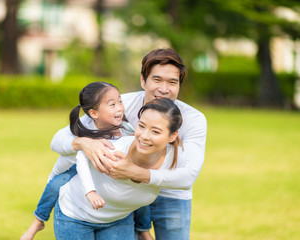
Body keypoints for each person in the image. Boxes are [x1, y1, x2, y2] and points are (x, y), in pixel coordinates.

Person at [51, 48, 207, 240]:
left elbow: (188, 176)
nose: (164, 88)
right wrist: (83, 143)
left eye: (172, 82)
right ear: (143, 80)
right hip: (125, 194)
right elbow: (58, 139)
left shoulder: (194, 119)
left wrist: (135, 173)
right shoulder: (118, 105)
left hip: (172, 195)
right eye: (157, 80)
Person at [54, 98, 183, 239]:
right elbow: (81, 156)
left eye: (156, 132)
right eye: (141, 126)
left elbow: (186, 181)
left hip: (118, 220)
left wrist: (137, 172)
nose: (144, 136)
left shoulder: (175, 160)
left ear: (172, 136)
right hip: (76, 214)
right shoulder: (118, 149)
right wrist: (90, 191)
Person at [21, 82, 134, 240]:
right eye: (112, 104)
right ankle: (38, 222)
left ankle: (142, 229)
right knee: (54, 185)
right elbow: (71, 154)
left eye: (120, 101)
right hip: (75, 168)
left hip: (108, 179)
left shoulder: (125, 127)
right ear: (94, 113)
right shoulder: (85, 127)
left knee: (139, 190)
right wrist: (90, 191)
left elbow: (137, 139)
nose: (120, 108)